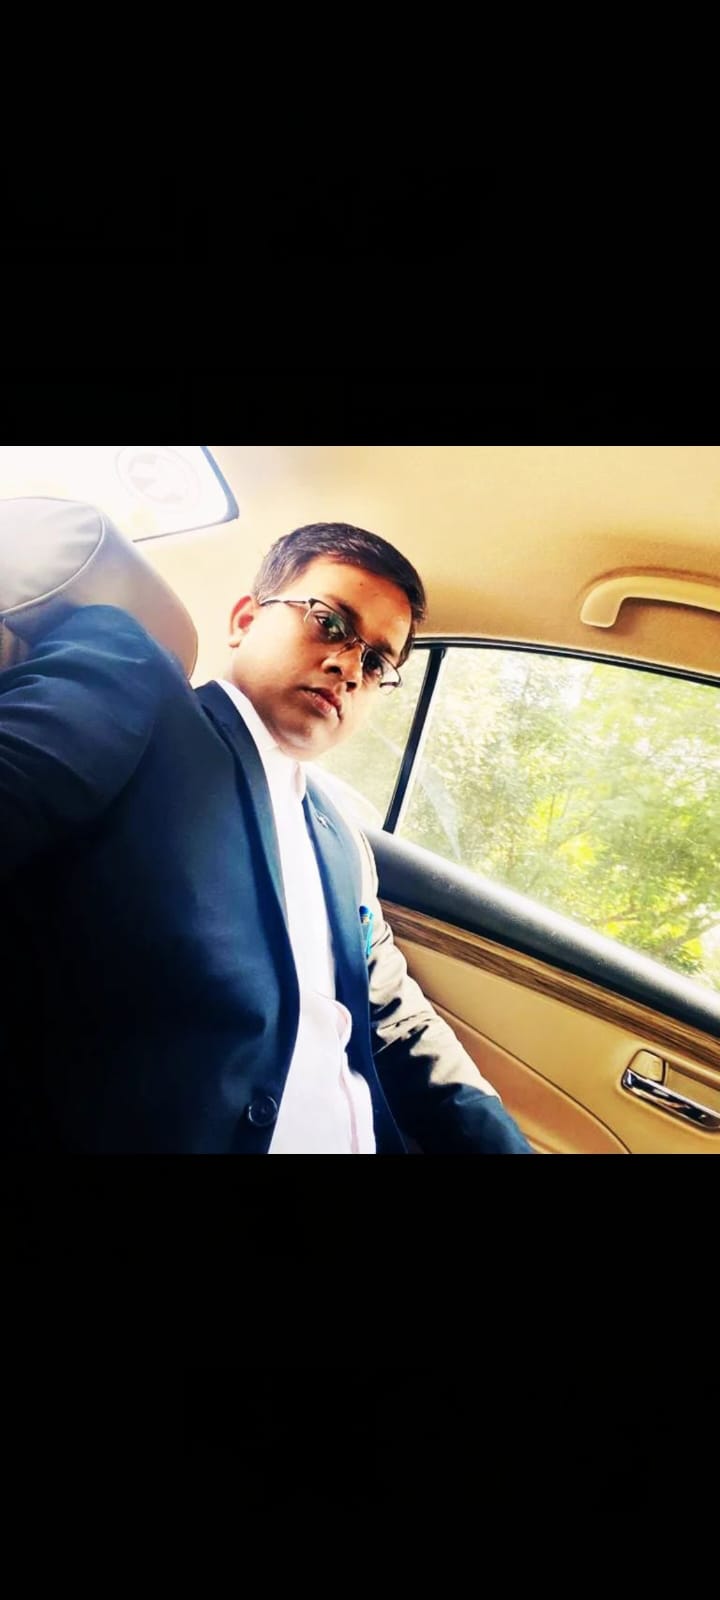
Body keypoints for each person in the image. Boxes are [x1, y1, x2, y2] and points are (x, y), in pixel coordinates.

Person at [0, 519, 533, 1152]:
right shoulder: (138, 684)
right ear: (245, 620)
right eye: (329, 622)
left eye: (376, 662)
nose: (348, 666)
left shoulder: (342, 842)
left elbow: (396, 1020)